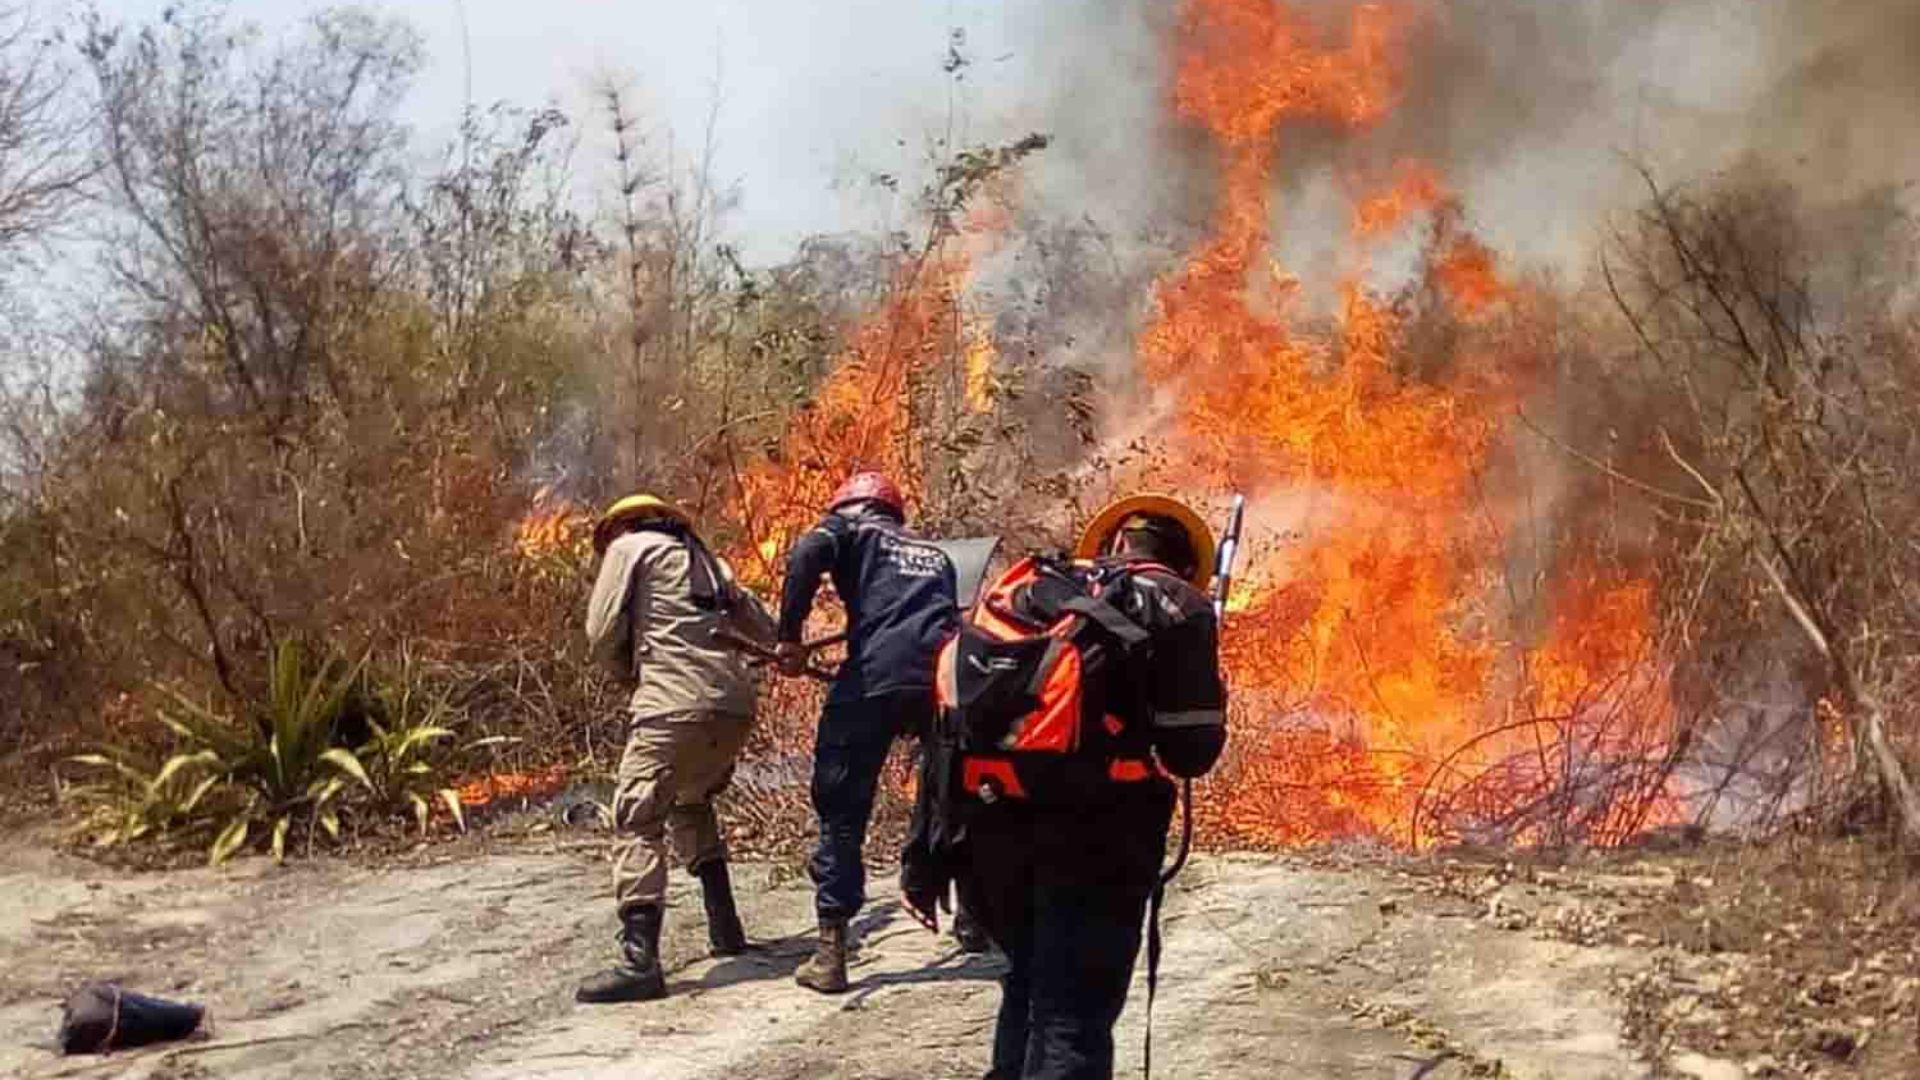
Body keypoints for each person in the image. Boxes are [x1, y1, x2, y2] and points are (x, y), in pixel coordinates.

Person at [928, 495, 1229, 1079]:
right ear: (1187, 562)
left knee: (1027, 984)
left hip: (991, 821)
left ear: (1113, 542)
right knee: (1073, 1016)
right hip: (1098, 836)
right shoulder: (1180, 604)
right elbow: (1190, 754)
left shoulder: (1036, 587)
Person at [576, 493, 777, 1004]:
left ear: (620, 526)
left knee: (637, 816)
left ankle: (639, 961)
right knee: (691, 799)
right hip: (734, 709)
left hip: (671, 705)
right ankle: (726, 928)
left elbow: (600, 632)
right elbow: (766, 628)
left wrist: (629, 676)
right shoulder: (709, 561)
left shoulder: (629, 547)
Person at [776, 471, 962, 993]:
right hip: (942, 681)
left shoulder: (847, 529)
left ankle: (831, 953)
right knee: (952, 798)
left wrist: (789, 636)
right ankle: (975, 921)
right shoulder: (935, 554)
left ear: (849, 507)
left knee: (840, 807)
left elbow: (806, 554)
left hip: (874, 677)